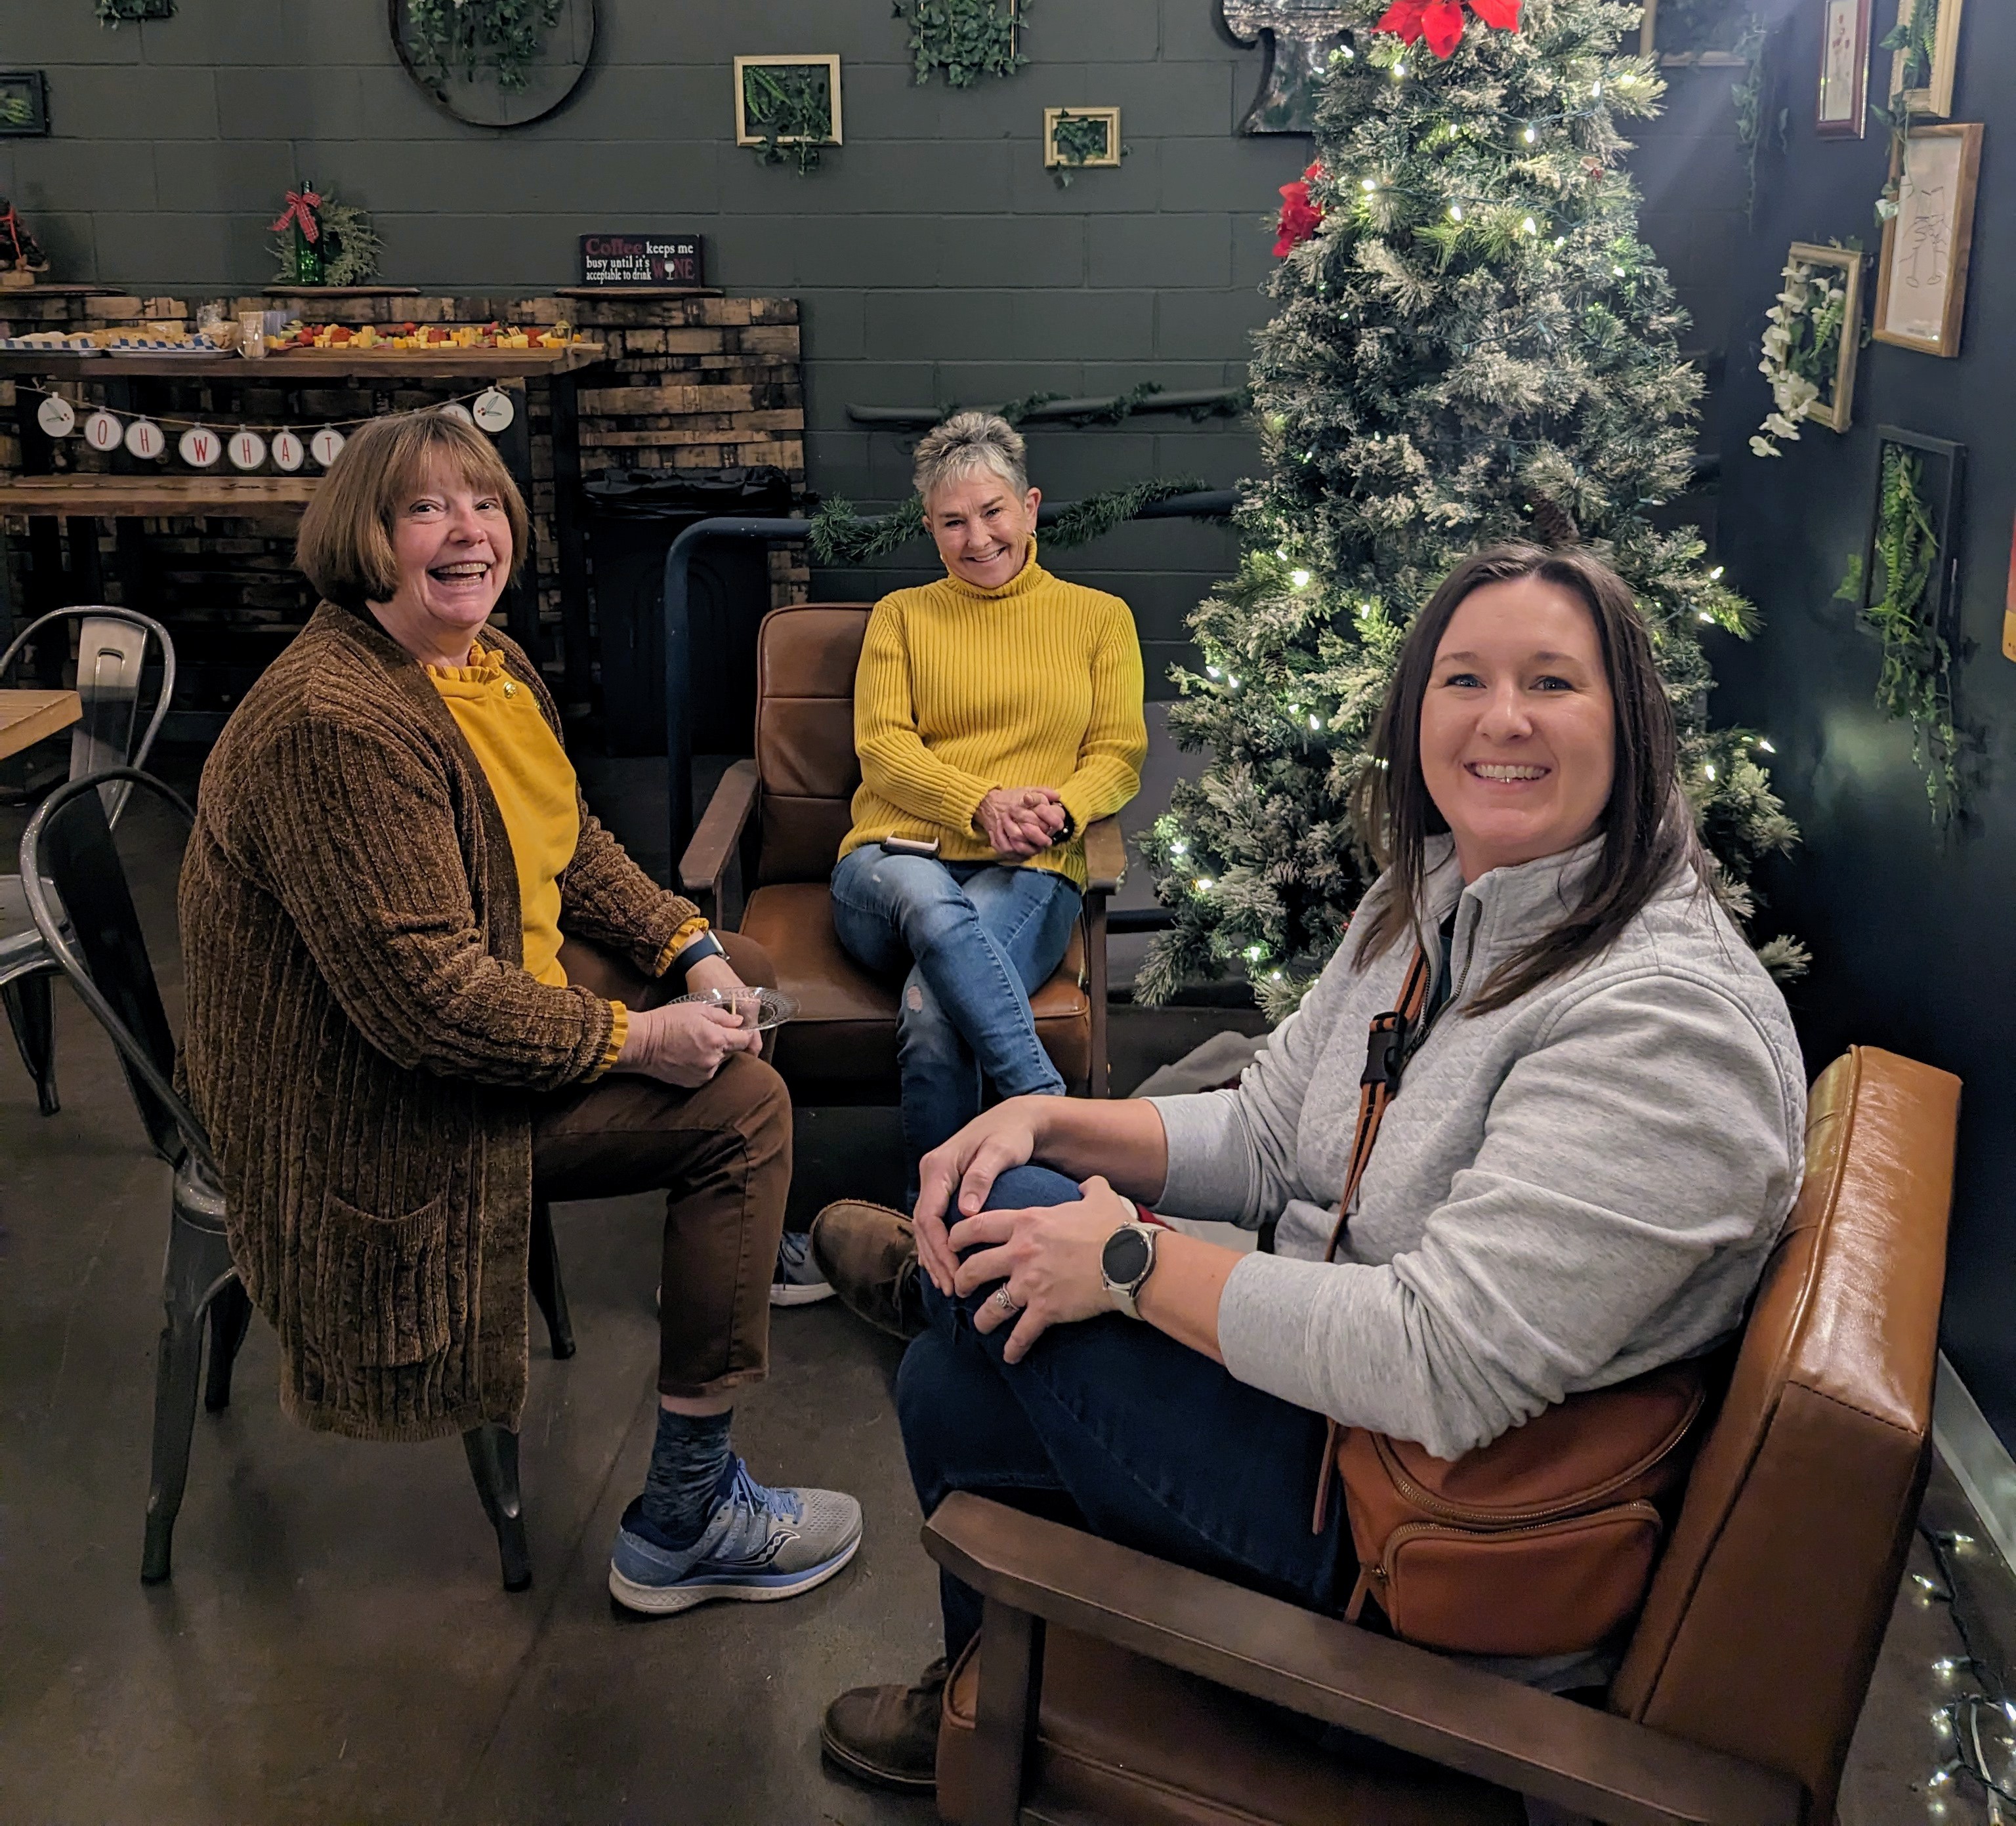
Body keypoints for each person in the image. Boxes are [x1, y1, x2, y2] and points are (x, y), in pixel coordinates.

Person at [818, 541, 1805, 1790]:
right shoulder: (1435, 896)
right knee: (954, 1380)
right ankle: (985, 1697)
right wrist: (1049, 1124)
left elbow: (1438, 1363)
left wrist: (1123, 1262)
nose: (1502, 718)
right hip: (1341, 1435)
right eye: (1464, 679)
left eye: (1553, 682)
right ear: (1417, 713)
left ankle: (939, 1282)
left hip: (1425, 1575)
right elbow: (1271, 1132)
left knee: (1005, 1241)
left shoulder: (1665, 1024)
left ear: (1633, 724)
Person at [178, 406, 860, 1615]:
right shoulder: (336, 724)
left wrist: (689, 946)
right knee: (744, 1112)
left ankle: (735, 1250)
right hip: (375, 1107)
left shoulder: (479, 661)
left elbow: (567, 842)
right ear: (364, 536)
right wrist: (638, 1038)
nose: (470, 532)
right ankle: (686, 1519)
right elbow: (429, 1007)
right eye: (426, 509)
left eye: (484, 503)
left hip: (469, 1008)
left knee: (747, 968)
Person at [810, 411, 1146, 1328]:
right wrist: (980, 804)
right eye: (953, 521)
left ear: (1030, 507)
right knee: (929, 901)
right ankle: (1057, 1120)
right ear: (929, 527)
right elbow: (884, 752)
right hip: (890, 866)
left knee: (932, 1013)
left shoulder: (1099, 619)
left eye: (993, 512)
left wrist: (1061, 810)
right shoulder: (902, 618)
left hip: (1031, 869)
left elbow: (1119, 753)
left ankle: (941, 1258)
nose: (978, 538)